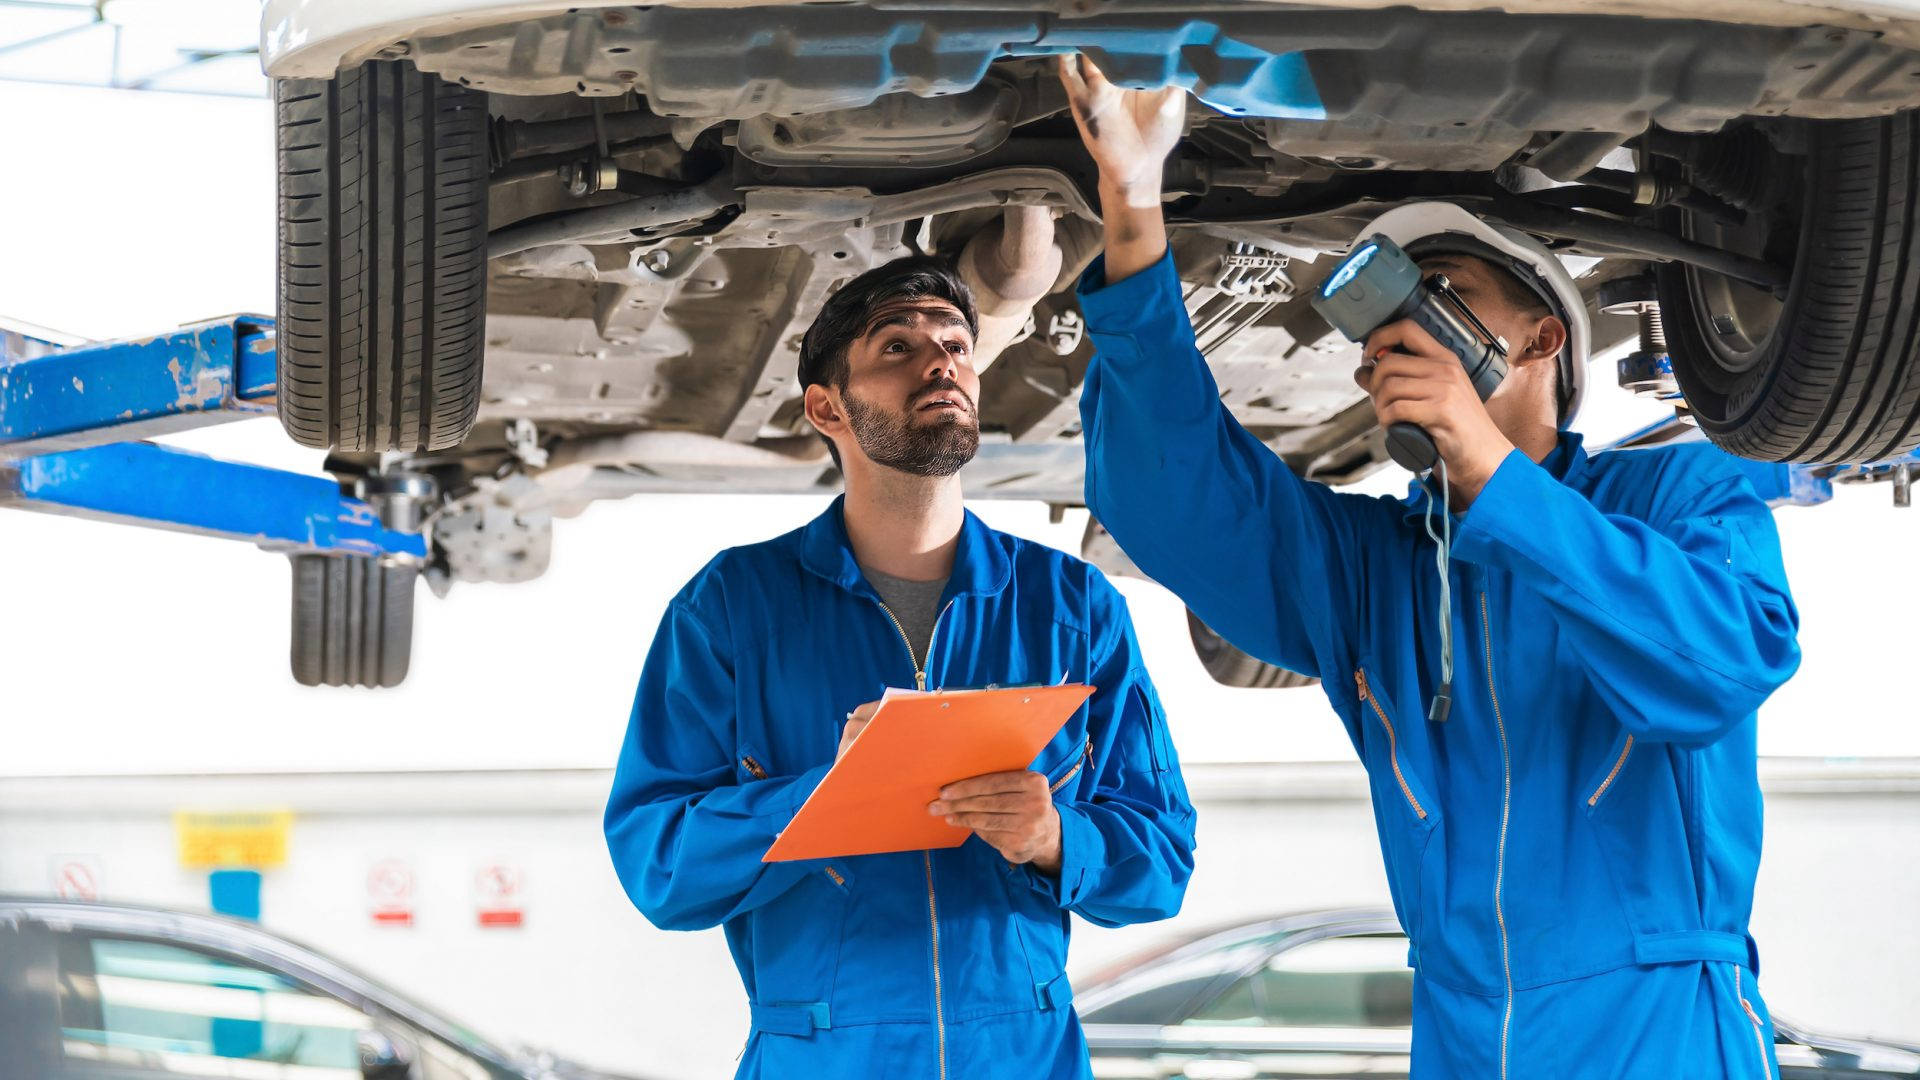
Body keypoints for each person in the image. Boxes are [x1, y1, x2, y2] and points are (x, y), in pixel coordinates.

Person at [1058, 54, 1801, 1079]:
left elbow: (1719, 669)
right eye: (1373, 334)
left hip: (1654, 1032)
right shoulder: (1380, 573)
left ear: (1542, 337)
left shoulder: (1678, 497)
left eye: (1441, 296)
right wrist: (1134, 209)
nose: (1387, 347)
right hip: (1458, 1038)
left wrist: (1490, 467)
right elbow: (1173, 496)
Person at [603, 254, 1197, 1079]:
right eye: (897, 347)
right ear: (826, 407)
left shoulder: (1073, 606)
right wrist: (827, 795)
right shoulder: (732, 608)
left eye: (955, 343)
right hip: (823, 1059)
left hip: (1023, 1059)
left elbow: (1161, 863)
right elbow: (659, 865)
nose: (941, 362)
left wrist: (1058, 839)